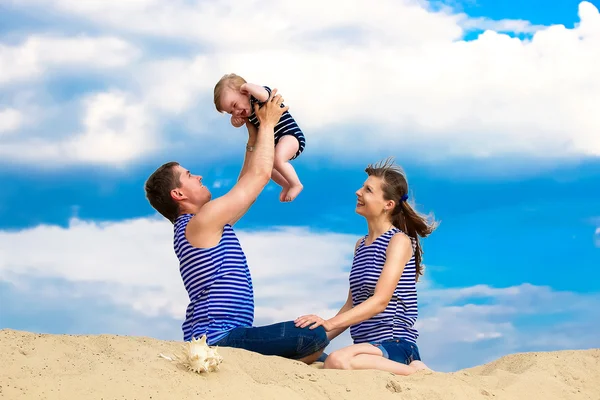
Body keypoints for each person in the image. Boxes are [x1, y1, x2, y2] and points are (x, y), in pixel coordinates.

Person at [144, 89, 328, 364]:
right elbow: (259, 176)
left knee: (321, 353)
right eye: (189, 176)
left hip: (227, 335)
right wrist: (267, 124)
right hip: (219, 338)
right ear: (179, 195)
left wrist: (253, 136)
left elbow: (248, 181)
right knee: (313, 336)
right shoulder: (201, 222)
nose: (198, 176)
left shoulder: (206, 222)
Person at [294, 157, 438, 374]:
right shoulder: (360, 245)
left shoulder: (398, 241)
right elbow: (352, 304)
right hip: (365, 348)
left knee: (337, 361)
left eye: (368, 190)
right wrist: (320, 337)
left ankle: (419, 373)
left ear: (388, 205)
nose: (358, 192)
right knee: (308, 357)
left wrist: (328, 323)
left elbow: (380, 301)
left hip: (395, 344)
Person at [213, 73, 305, 202]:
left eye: (234, 105)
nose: (236, 112)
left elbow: (264, 95)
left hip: (290, 135)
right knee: (267, 166)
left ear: (245, 92)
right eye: (231, 112)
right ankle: (285, 184)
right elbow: (238, 124)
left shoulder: (258, 96)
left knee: (278, 159)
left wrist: (247, 86)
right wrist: (235, 121)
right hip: (277, 142)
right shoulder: (247, 113)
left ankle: (296, 184)